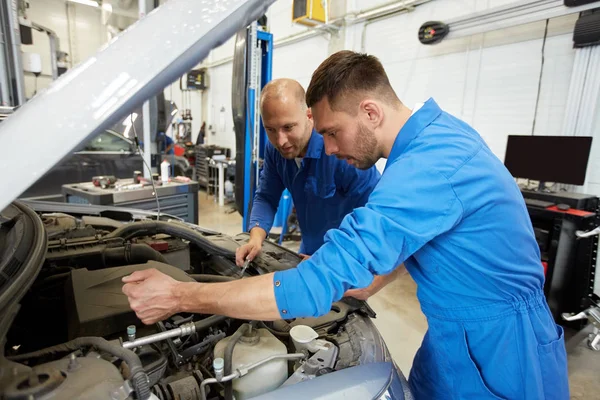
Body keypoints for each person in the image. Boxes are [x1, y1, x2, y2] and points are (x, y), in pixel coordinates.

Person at [122, 51, 569, 399]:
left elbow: (313, 286)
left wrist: (181, 295)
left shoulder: (429, 168)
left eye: (333, 132)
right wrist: (368, 278)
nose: (328, 147)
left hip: (504, 352)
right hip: (452, 338)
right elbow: (418, 238)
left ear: (370, 112)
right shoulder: (434, 139)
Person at [235, 78, 381, 264]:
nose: (281, 141)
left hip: (347, 257)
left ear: (309, 115)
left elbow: (373, 215)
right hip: (307, 252)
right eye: (270, 129)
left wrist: (334, 258)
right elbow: (266, 196)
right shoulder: (275, 151)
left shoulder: (341, 151)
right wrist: (255, 238)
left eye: (288, 127)